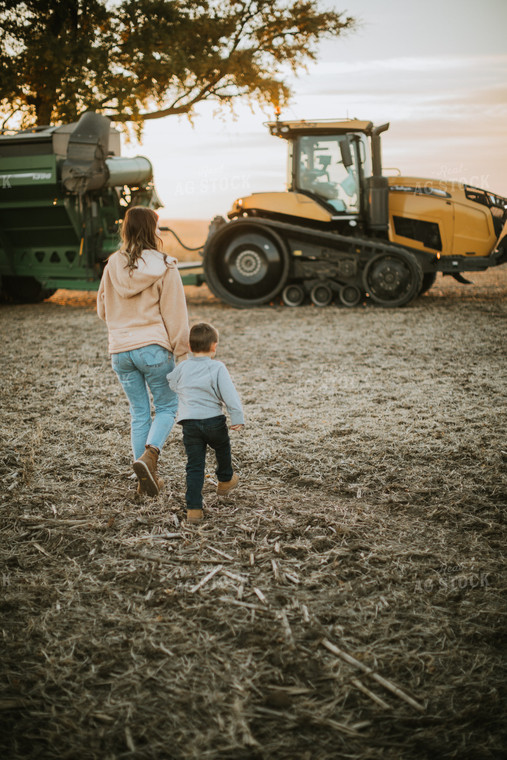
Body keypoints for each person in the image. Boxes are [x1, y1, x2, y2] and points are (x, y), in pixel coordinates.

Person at [97, 206, 189, 496]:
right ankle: (151, 456)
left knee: (139, 413)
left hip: (120, 351)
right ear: (152, 230)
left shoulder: (112, 263)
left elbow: (102, 309)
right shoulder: (164, 265)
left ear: (126, 230)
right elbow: (175, 314)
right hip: (153, 348)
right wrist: (183, 354)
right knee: (167, 407)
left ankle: (144, 480)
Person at [167, 322, 244, 524]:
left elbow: (171, 383)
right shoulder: (217, 367)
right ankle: (225, 479)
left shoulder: (183, 367)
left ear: (190, 348)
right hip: (213, 420)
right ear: (214, 346)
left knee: (194, 466)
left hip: (190, 423)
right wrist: (236, 417)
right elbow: (229, 394)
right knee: (222, 446)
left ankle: (193, 509)